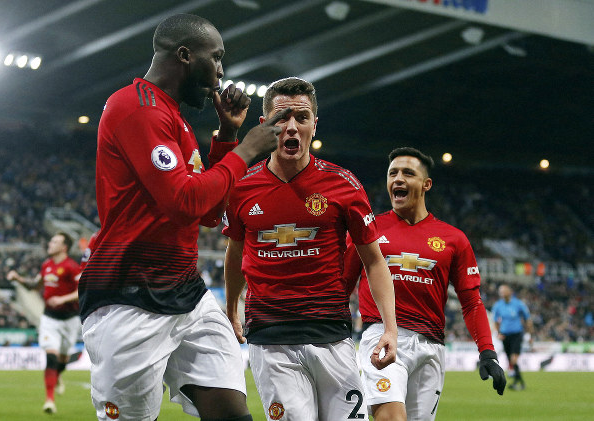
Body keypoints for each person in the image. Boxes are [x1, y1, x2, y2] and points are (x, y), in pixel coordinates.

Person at [78, 13, 289, 421]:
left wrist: (227, 137)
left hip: (186, 292)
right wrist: (246, 151)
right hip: (130, 296)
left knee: (232, 414)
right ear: (185, 55)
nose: (222, 71)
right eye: (217, 57)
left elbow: (208, 213)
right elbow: (182, 201)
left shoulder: (175, 120)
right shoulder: (137, 107)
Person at [222, 77, 397, 421]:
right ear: (265, 125)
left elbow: (374, 262)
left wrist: (390, 328)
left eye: (301, 118)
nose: (291, 127)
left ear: (314, 124)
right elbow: (235, 252)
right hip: (271, 339)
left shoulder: (343, 184)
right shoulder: (242, 187)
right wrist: (231, 308)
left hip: (331, 335)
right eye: (281, 118)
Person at [343, 147, 506, 421]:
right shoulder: (369, 229)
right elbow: (343, 285)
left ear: (426, 184)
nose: (398, 179)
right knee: (391, 418)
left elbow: (471, 302)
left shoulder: (454, 239)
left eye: (408, 173)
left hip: (432, 346)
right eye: (392, 173)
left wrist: (487, 351)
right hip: (382, 336)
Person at [6, 232, 81, 415]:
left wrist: (62, 299)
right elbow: (35, 286)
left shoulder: (71, 267)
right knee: (51, 357)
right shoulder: (46, 265)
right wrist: (18, 278)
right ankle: (49, 400)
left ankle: (58, 375)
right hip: (49, 318)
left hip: (70, 319)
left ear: (64, 247)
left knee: (62, 360)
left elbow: (82, 290)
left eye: (55, 242)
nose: (50, 243)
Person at [492, 284, 533, 391]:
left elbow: (527, 319)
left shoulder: (518, 304)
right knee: (510, 360)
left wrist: (529, 334)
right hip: (505, 336)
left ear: (510, 292)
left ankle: (520, 382)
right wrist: (498, 332)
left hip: (516, 334)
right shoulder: (498, 305)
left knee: (513, 359)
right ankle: (517, 381)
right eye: (500, 291)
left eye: (504, 291)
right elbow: (495, 321)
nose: (502, 293)